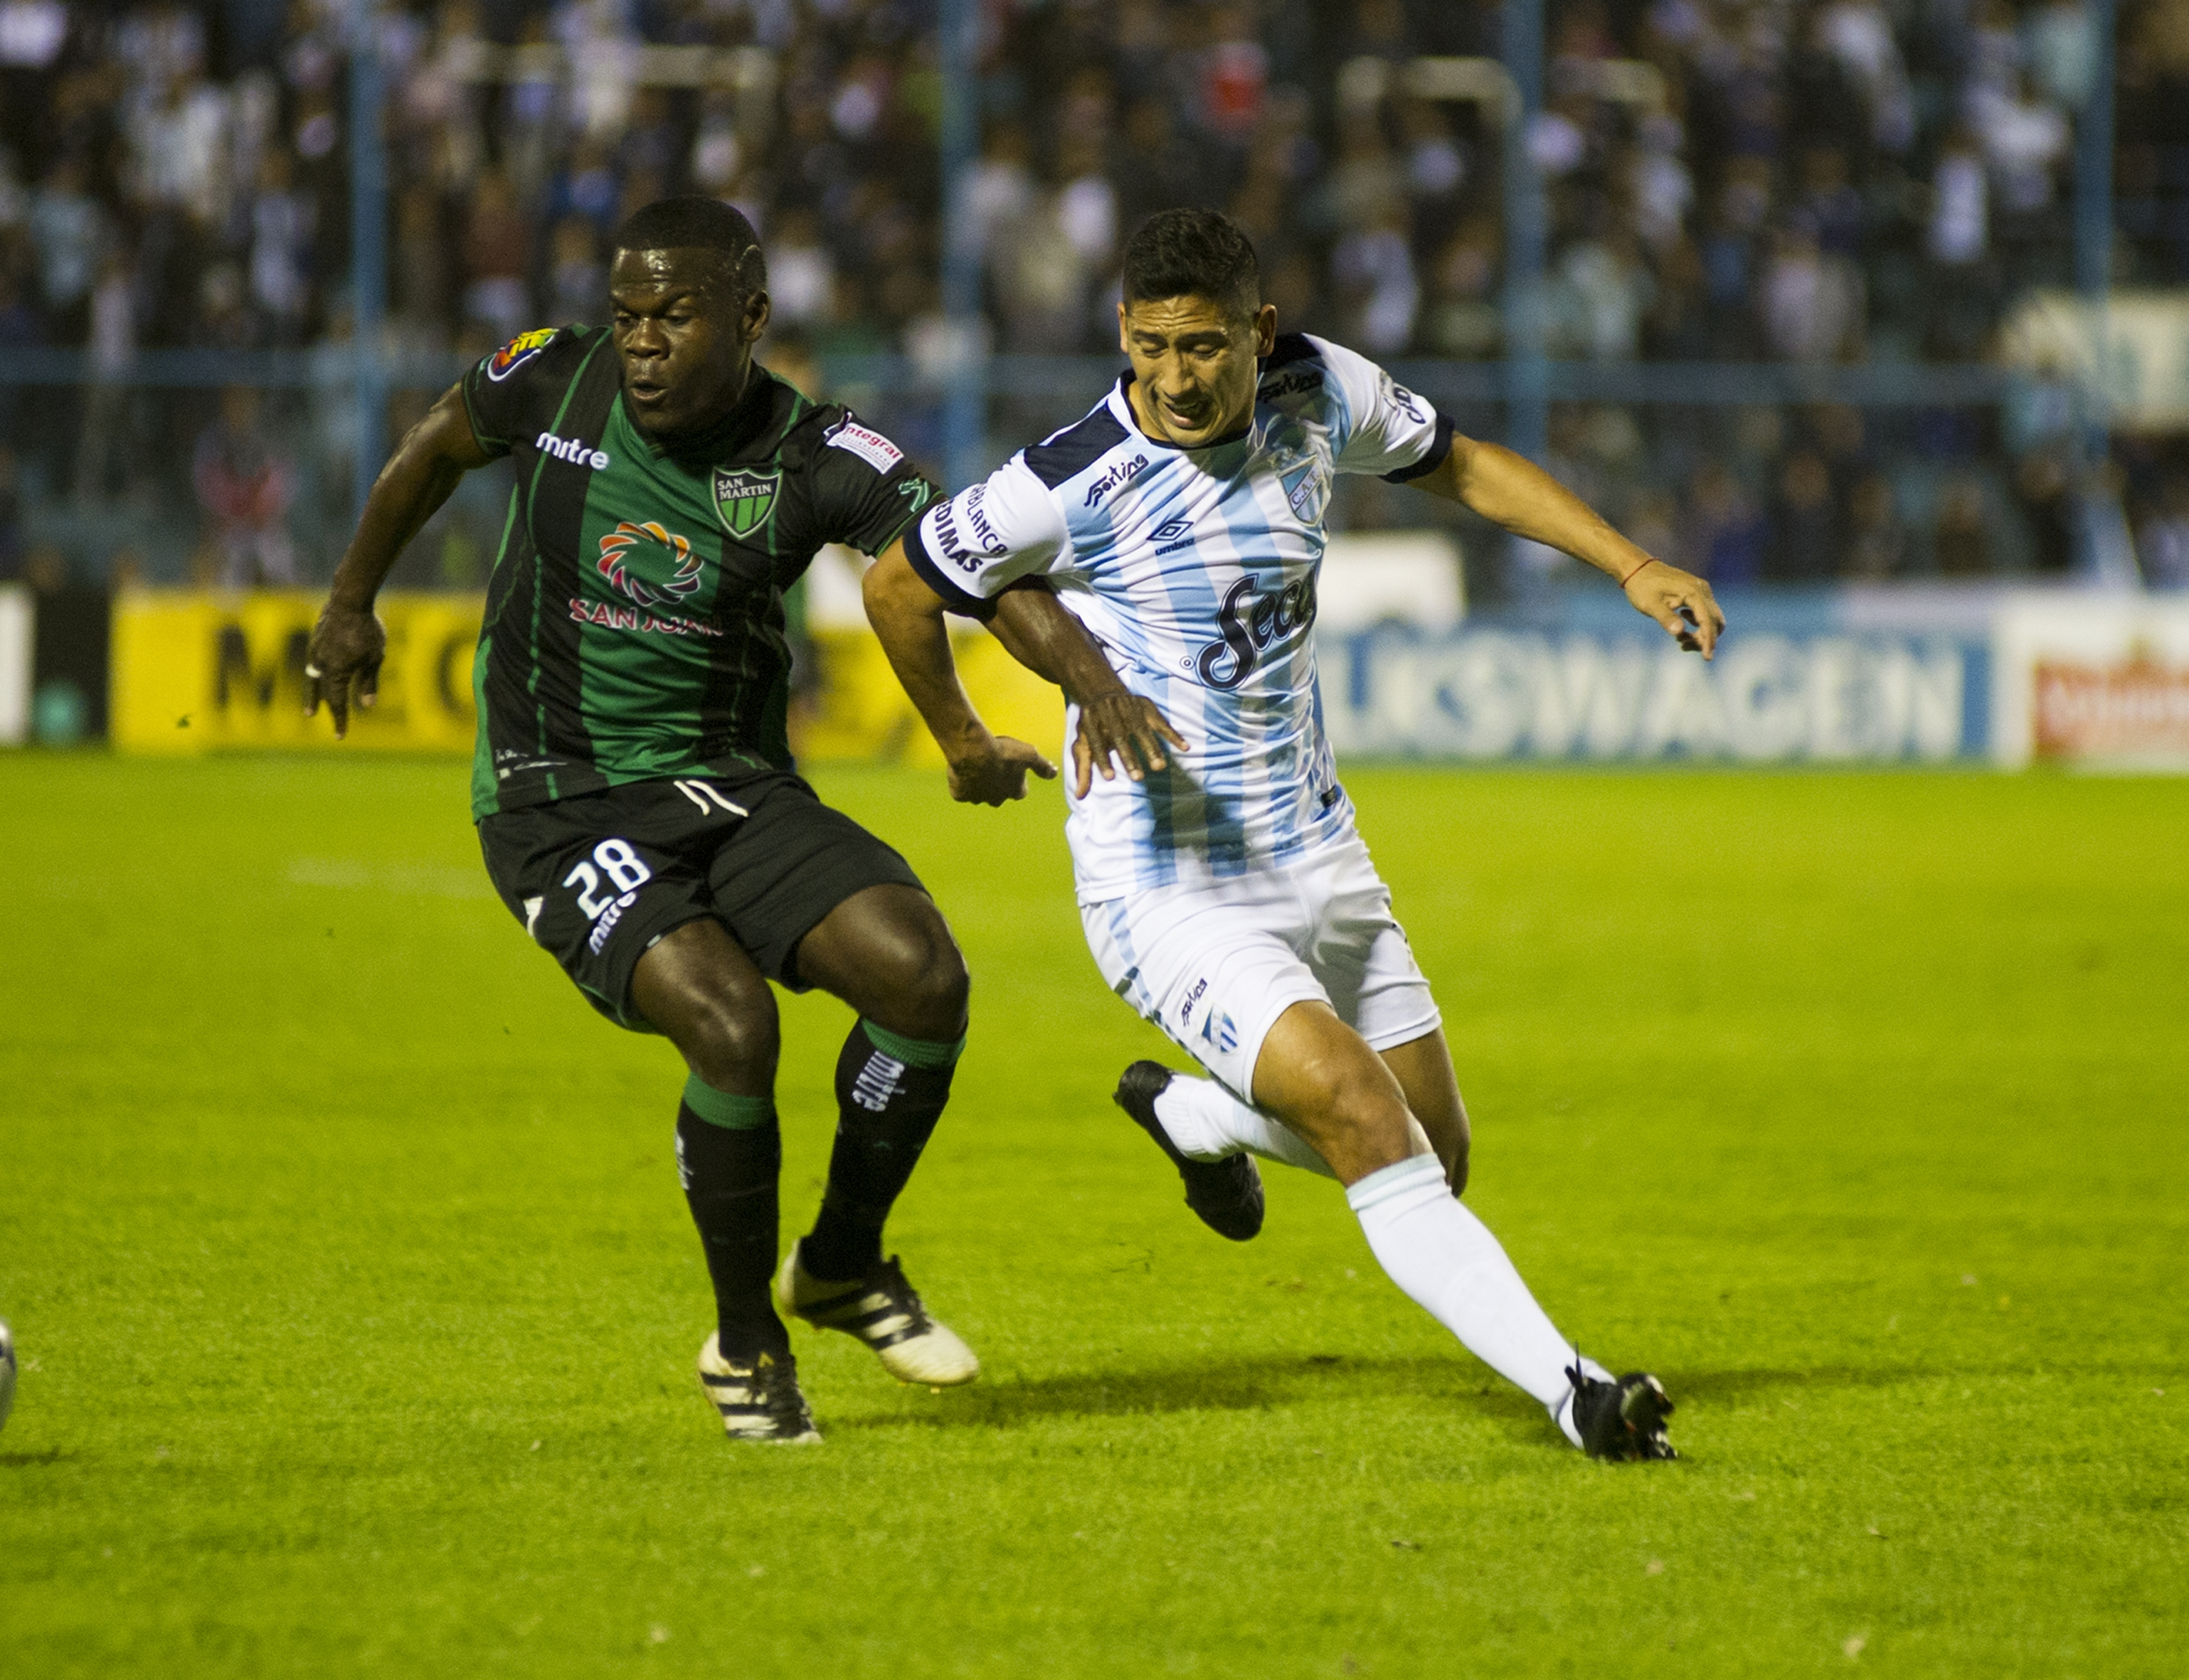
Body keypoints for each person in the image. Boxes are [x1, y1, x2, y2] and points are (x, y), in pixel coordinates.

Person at [864, 208, 1727, 1462]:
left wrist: (1631, 563)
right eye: (1151, 346)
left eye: (1205, 346)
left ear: (1260, 334)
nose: (1175, 376)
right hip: (1165, 885)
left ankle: (1202, 1119)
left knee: (1438, 1152)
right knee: (1367, 1122)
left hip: (1318, 850)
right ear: (1122, 332)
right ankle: (1581, 1393)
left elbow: (1467, 463)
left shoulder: (1320, 390)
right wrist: (960, 742)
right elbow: (901, 582)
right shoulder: (1065, 477)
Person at [300, 196, 1076, 1446]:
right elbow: (435, 446)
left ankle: (839, 1262)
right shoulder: (554, 382)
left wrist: (1044, 706)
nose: (644, 342)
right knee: (731, 1021)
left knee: (923, 978)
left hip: (734, 784)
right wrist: (349, 603)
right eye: (630, 316)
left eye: (675, 316)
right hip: (558, 797)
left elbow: (963, 569)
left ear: (751, 320)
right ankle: (746, 1345)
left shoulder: (818, 456)